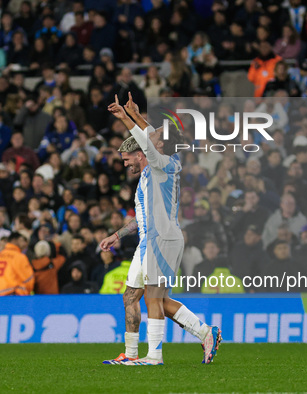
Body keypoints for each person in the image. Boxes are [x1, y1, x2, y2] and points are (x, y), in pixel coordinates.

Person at [101, 93, 221, 366]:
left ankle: (155, 355)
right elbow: (149, 135)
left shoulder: (163, 164)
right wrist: (116, 235)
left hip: (163, 239)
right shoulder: (147, 174)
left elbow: (147, 140)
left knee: (154, 298)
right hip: (148, 240)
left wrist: (125, 118)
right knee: (133, 295)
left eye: (127, 159)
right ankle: (133, 353)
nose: (125, 163)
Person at [0, 232, 35, 296]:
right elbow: (29, 279)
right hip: (15, 295)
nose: (25, 244)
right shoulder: (19, 256)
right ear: (14, 240)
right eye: (22, 240)